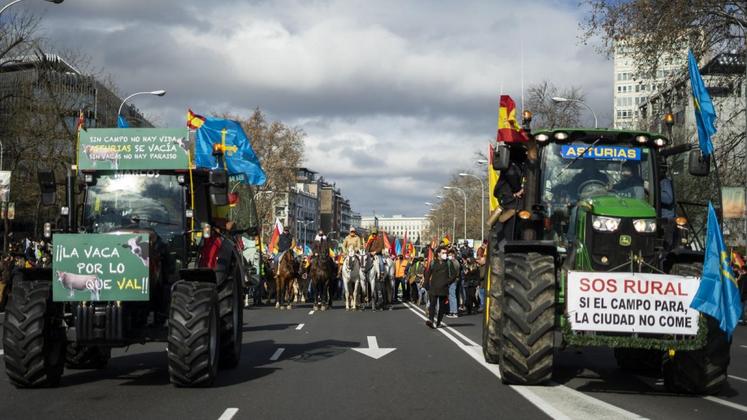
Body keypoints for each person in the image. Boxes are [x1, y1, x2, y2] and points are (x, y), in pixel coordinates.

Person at [425, 246, 458, 328]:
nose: (445, 254)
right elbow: (428, 274)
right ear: (438, 253)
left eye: (445, 253)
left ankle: (438, 321)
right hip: (434, 287)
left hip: (443, 288)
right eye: (443, 253)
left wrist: (448, 282)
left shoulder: (448, 263)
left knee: (442, 307)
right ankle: (431, 320)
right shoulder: (433, 262)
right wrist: (426, 284)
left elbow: (454, 275)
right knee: (432, 304)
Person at [446, 248, 460, 318]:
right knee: (451, 296)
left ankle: (454, 312)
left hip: (453, 281)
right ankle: (452, 311)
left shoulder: (455, 262)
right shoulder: (452, 262)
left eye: (450, 255)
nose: (449, 256)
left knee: (452, 296)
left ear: (453, 255)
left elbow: (454, 273)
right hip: (452, 280)